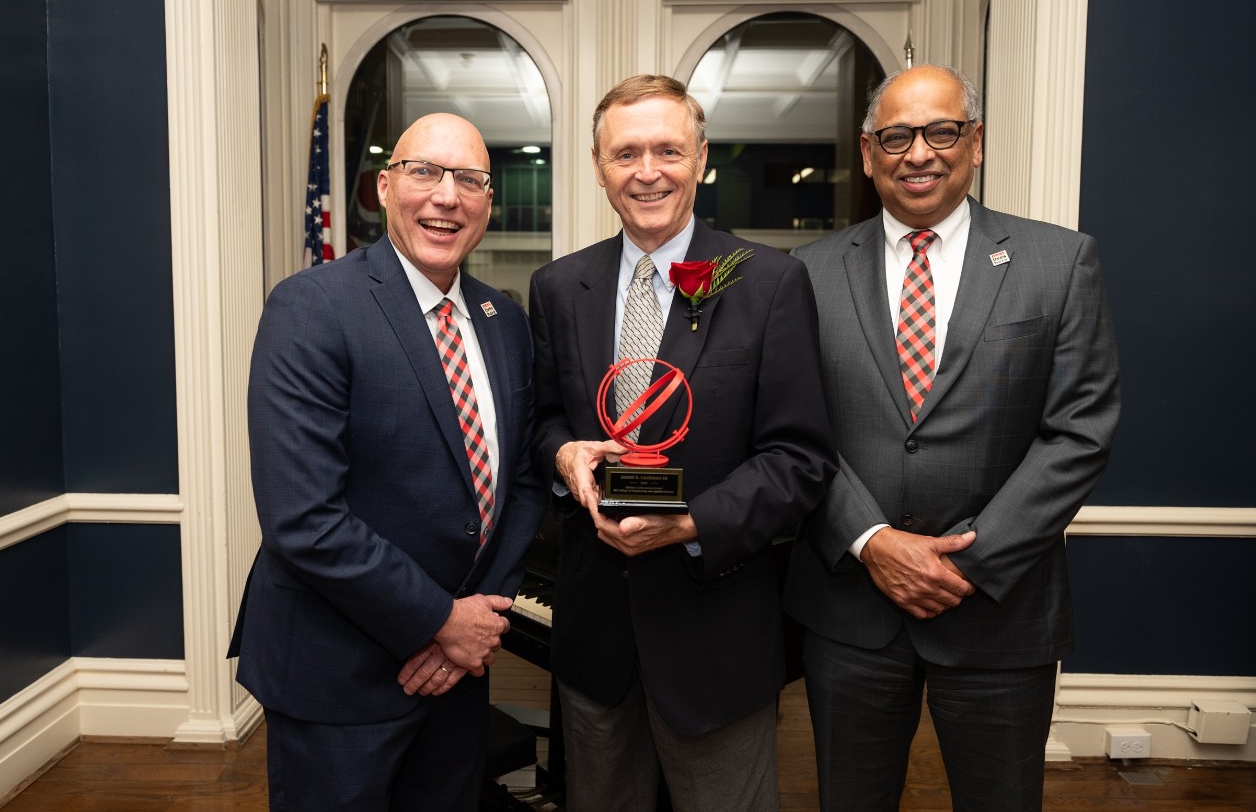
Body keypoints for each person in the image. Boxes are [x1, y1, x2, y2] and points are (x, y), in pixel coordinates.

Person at [784, 64, 1120, 812]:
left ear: (975, 142)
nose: (919, 154)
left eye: (941, 132)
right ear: (868, 153)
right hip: (850, 612)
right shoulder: (804, 274)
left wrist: (970, 560)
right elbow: (794, 431)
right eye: (897, 137)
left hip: (1000, 612)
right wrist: (872, 539)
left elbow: (1080, 431)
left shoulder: (1059, 263)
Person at [528, 74, 835, 812]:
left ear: (701, 159)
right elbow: (541, 421)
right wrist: (564, 455)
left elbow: (801, 458)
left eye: (668, 149)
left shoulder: (770, 283)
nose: (648, 170)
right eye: (626, 152)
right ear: (599, 167)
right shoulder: (558, 287)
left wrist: (693, 522)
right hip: (595, 638)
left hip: (716, 639)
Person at [229, 112, 547, 811]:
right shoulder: (312, 308)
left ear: (488, 202)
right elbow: (304, 518)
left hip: (458, 674)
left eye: (469, 179)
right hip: (337, 676)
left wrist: (476, 620)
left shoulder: (506, 321)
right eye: (424, 172)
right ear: (383, 187)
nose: (447, 195)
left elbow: (520, 483)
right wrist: (441, 618)